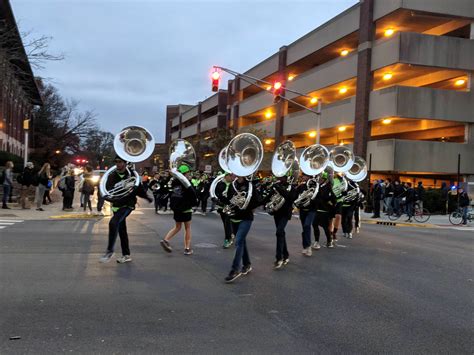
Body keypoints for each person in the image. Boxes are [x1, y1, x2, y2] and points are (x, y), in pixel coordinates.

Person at [100, 156, 152, 264]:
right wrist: (120, 187)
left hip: (127, 205)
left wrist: (147, 197)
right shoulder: (112, 175)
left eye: (120, 162)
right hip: (116, 205)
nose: (117, 164)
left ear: (125, 163)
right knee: (121, 230)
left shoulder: (132, 175)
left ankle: (109, 251)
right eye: (116, 162)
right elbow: (108, 190)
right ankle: (126, 255)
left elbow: (139, 189)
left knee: (113, 223)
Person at [223, 175, 262, 283]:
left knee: (239, 241)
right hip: (234, 217)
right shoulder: (232, 185)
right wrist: (218, 199)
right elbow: (229, 201)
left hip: (246, 218)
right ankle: (247, 264)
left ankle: (234, 270)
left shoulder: (250, 186)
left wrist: (245, 203)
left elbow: (258, 201)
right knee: (242, 242)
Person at [160, 165, 198, 255]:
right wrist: (194, 204)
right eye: (188, 172)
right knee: (187, 228)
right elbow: (193, 194)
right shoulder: (187, 183)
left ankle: (166, 239)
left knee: (177, 227)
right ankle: (187, 248)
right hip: (186, 208)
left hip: (176, 208)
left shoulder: (174, 182)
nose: (189, 174)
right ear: (185, 173)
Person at [268, 174, 297, 269]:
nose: (280, 179)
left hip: (285, 213)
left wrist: (278, 188)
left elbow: (290, 197)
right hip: (277, 212)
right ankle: (286, 255)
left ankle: (279, 258)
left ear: (287, 178)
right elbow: (270, 197)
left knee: (279, 231)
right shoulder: (277, 185)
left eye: (282, 177)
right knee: (281, 233)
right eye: (279, 177)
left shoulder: (292, 187)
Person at [312, 172, 336, 249]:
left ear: (325, 180)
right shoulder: (318, 187)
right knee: (314, 225)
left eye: (321, 179)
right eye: (319, 178)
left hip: (325, 211)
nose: (320, 180)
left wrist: (328, 203)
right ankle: (316, 241)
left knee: (326, 227)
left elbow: (332, 199)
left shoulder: (327, 187)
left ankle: (329, 241)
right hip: (317, 210)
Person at [295, 174, 317, 257]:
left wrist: (311, 200)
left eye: (304, 176)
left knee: (307, 225)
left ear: (309, 176)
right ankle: (305, 246)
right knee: (304, 228)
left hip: (311, 210)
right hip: (303, 210)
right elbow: (296, 196)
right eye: (303, 176)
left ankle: (308, 247)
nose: (303, 177)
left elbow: (319, 198)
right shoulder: (301, 186)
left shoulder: (315, 186)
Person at [214, 173, 234, 248]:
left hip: (230, 207)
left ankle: (227, 239)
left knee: (227, 223)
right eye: (230, 176)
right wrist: (218, 199)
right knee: (225, 224)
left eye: (232, 176)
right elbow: (216, 193)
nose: (231, 177)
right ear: (226, 176)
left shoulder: (233, 184)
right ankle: (230, 235)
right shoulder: (220, 184)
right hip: (222, 206)